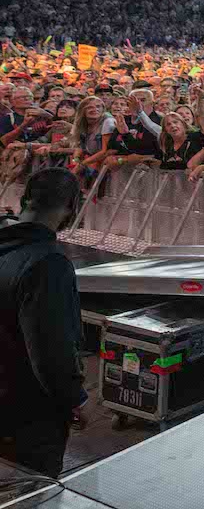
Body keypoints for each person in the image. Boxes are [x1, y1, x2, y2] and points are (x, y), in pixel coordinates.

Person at [0, 168, 87, 479]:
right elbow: (50, 352)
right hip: (25, 417)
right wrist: (74, 399)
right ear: (72, 208)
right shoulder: (48, 265)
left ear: (24, 199)